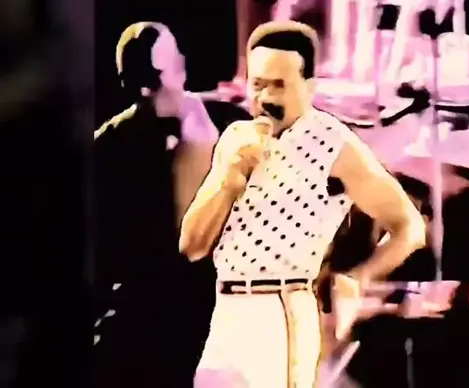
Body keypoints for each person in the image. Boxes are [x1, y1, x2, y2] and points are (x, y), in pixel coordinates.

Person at [181, 21, 426, 388]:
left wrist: (357, 278)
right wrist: (226, 182)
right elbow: (192, 246)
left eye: (280, 85)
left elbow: (410, 227)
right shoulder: (236, 137)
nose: (266, 98)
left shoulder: (333, 144)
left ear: (309, 85)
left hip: (282, 309)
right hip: (227, 307)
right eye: (258, 84)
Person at [93, 22, 219, 387]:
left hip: (186, 312)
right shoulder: (112, 147)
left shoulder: (207, 125)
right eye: (172, 68)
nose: (180, 76)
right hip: (152, 313)